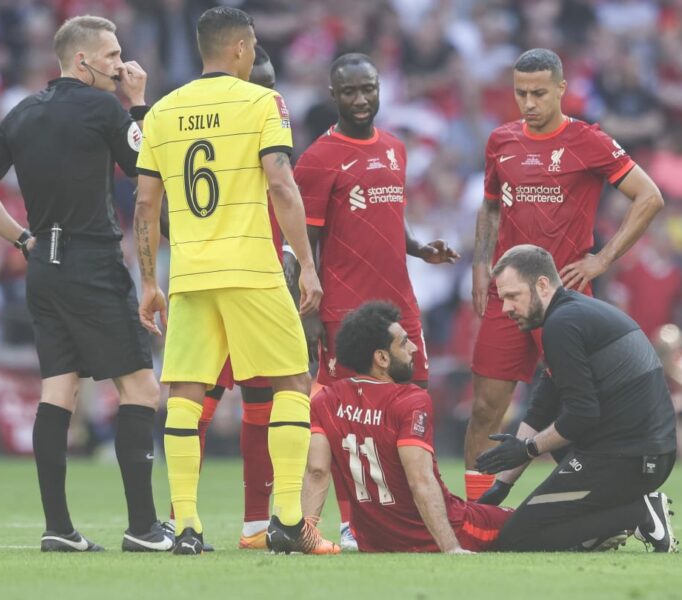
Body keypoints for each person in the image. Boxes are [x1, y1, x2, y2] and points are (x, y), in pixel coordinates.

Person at [133, 7, 334, 555]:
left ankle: (188, 528)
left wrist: (149, 281)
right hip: (251, 267)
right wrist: (307, 264)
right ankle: (288, 521)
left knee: (185, 396)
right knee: (293, 382)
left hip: (190, 274)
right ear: (243, 49)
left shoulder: (165, 111)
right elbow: (281, 182)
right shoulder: (264, 102)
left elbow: (145, 204)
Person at [0, 15, 171, 553]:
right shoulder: (105, 107)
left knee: (58, 389)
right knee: (140, 387)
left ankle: (58, 529)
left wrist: (21, 238)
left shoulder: (21, 112)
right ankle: (144, 528)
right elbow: (144, 167)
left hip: (44, 267)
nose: (120, 63)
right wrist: (138, 101)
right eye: (110, 55)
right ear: (82, 60)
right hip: (92, 262)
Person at [465, 48, 665, 501]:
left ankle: (617, 499)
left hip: (563, 300)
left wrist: (602, 259)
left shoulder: (588, 141)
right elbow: (491, 204)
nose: (529, 103)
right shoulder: (500, 141)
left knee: (576, 412)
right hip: (507, 297)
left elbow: (649, 196)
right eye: (520, 93)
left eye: (539, 93)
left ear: (561, 90)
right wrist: (480, 264)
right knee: (484, 410)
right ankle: (475, 512)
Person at [292, 52, 460, 548]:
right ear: (333, 96)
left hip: (399, 302)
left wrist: (416, 247)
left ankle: (417, 508)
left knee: (416, 397)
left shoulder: (394, 148)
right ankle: (352, 520)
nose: (361, 100)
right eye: (349, 91)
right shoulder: (319, 159)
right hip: (346, 310)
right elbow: (305, 245)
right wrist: (310, 317)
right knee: (346, 417)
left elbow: (389, 214)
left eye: (368, 89)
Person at [474, 245, 677, 552]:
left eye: (513, 296)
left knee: (517, 538)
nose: (505, 308)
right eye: (503, 298)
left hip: (630, 458)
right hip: (643, 454)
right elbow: (541, 408)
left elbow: (583, 415)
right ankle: (597, 533)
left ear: (542, 285)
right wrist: (503, 484)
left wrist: (527, 449)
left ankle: (639, 514)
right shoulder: (571, 314)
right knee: (539, 519)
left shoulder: (562, 325)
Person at [163, 44, 281, 552]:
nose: (267, 92)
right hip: (232, 278)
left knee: (261, 403)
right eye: (260, 81)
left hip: (259, 281)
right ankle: (178, 519)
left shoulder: (275, 132)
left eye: (271, 83)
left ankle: (255, 524)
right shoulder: (241, 132)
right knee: (199, 401)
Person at [301, 301, 512, 553]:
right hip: (439, 531)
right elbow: (420, 480)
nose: (413, 348)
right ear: (381, 358)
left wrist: (304, 537)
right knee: (533, 520)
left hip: (373, 540)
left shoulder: (325, 400)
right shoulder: (410, 400)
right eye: (403, 342)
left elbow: (316, 471)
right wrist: (451, 549)